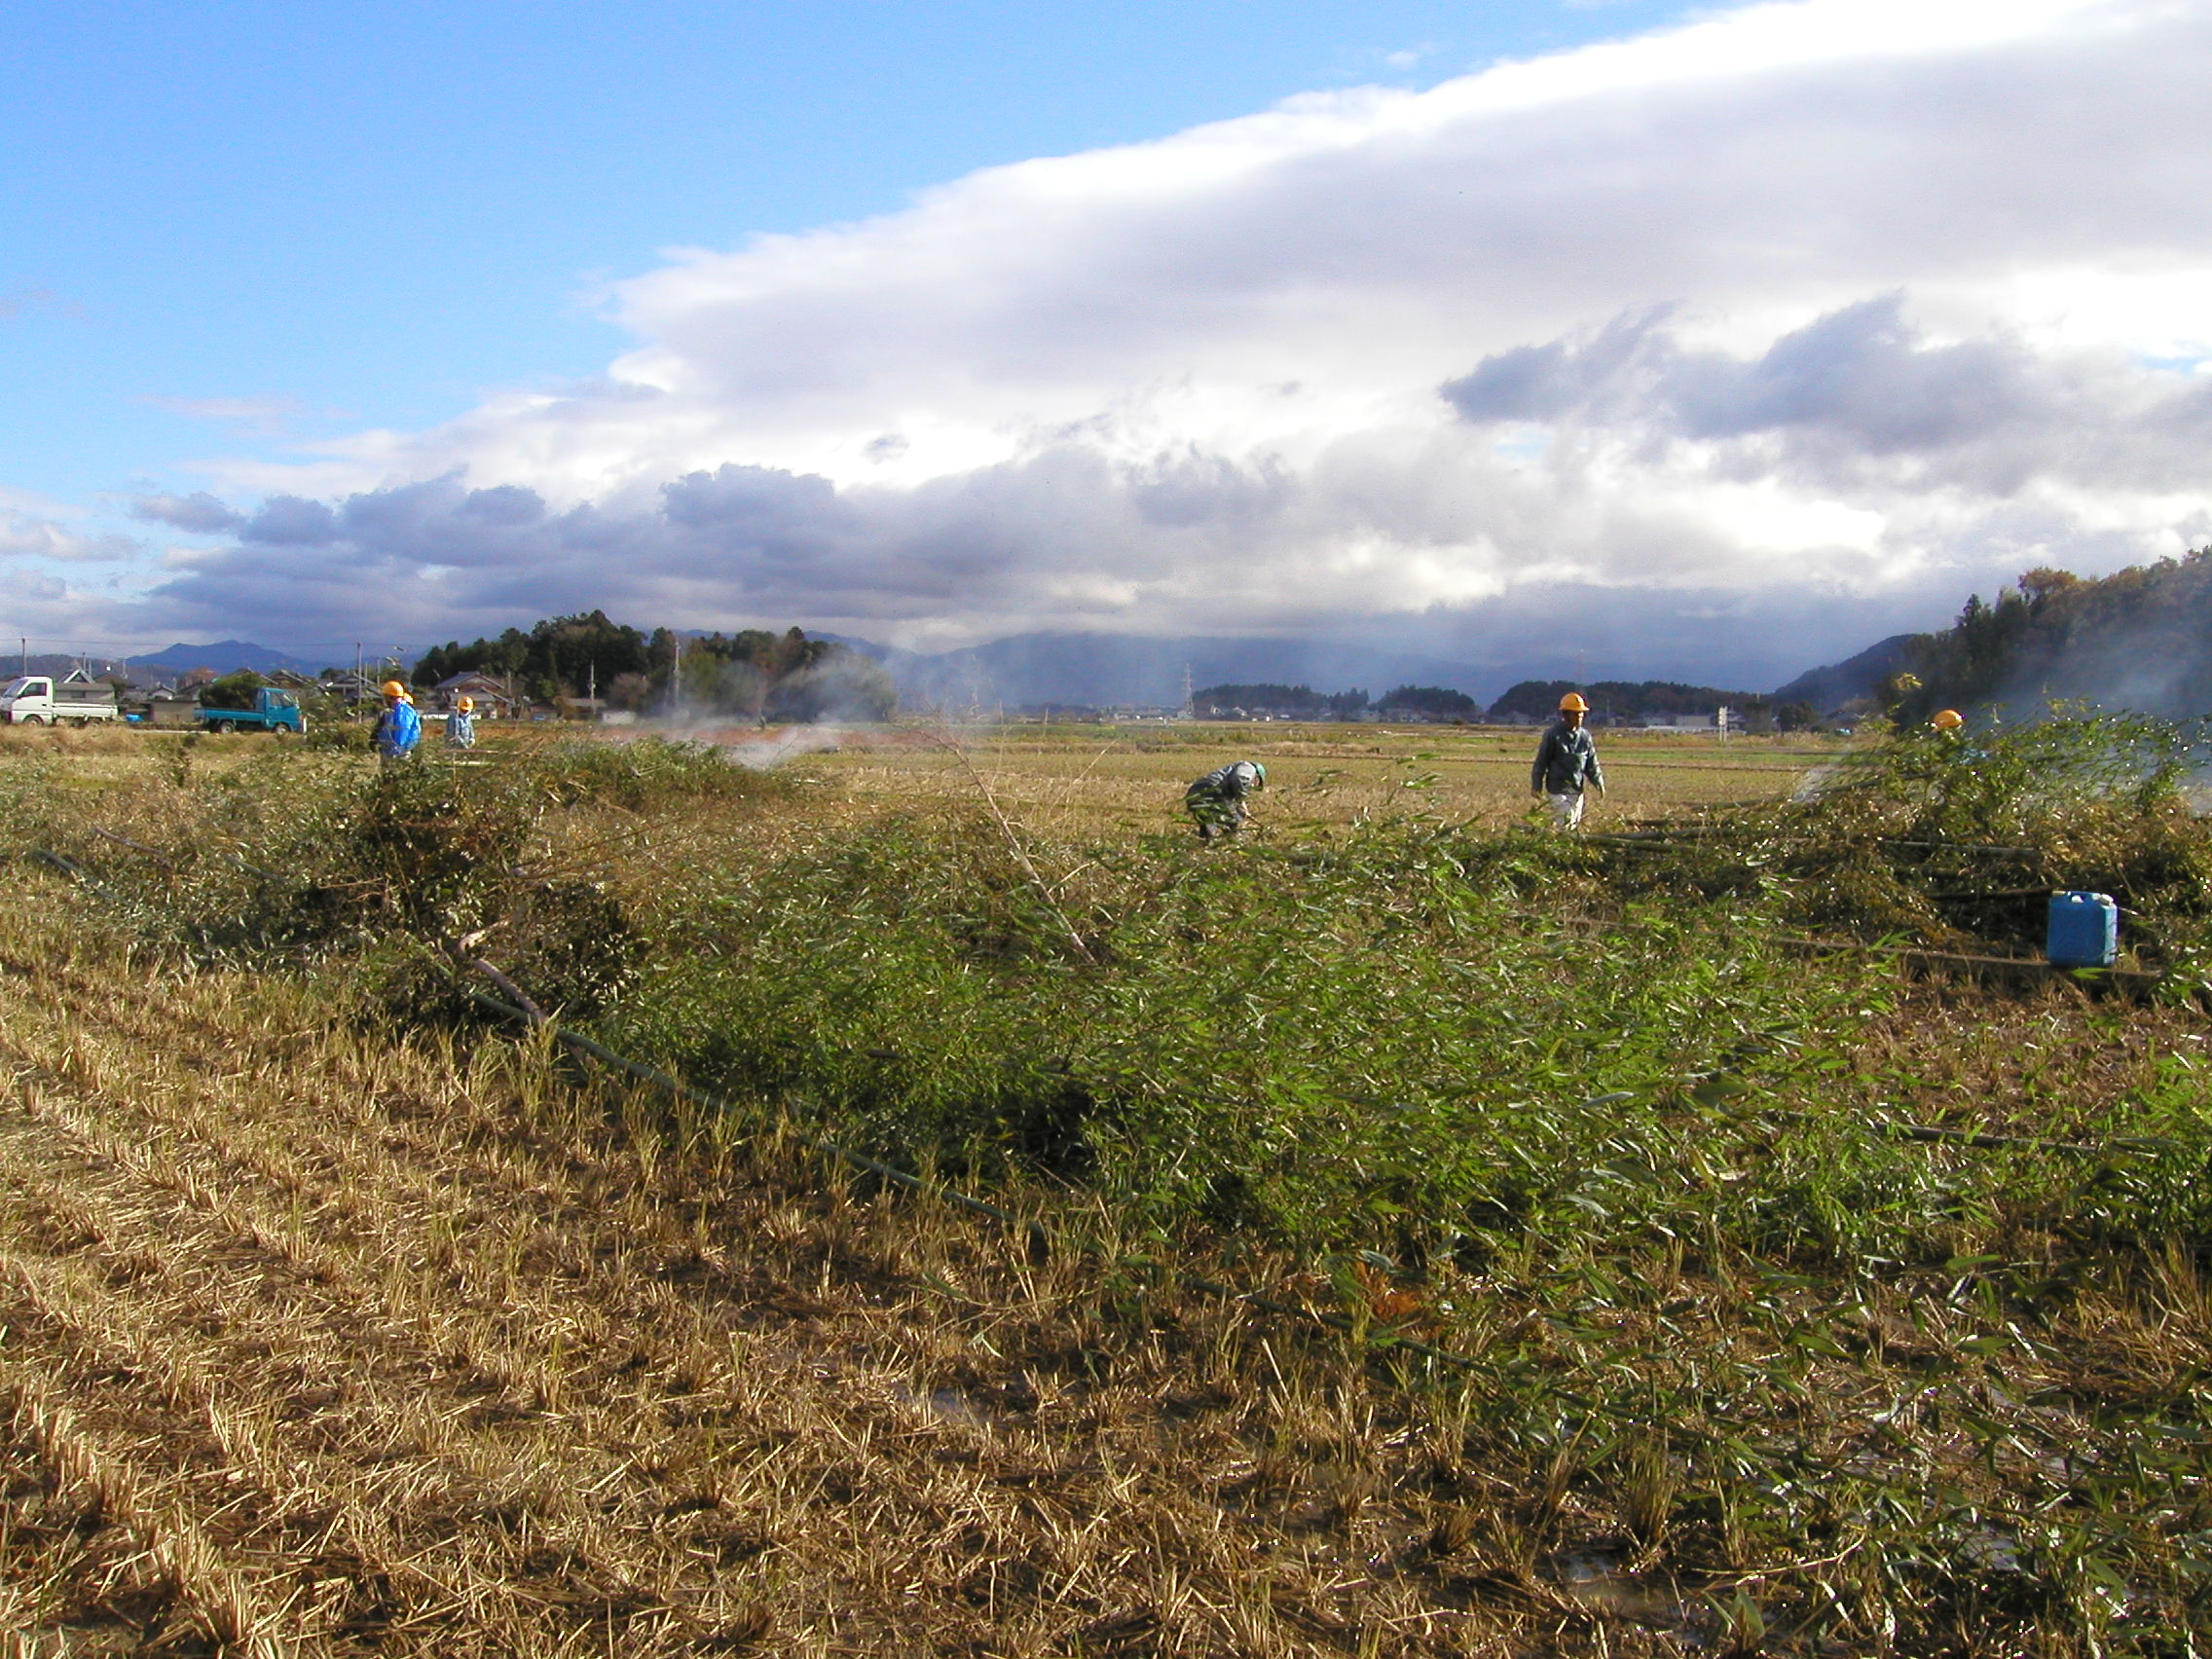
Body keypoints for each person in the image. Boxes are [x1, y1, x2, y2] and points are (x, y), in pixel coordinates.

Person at [1530, 692, 1604, 830]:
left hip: (1576, 790)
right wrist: (1536, 786)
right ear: (1565, 715)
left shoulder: (1585, 737)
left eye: (1581, 714)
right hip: (1557, 790)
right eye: (1575, 714)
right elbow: (1541, 762)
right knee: (1565, 822)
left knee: (1573, 825)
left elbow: (1591, 764)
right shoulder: (1553, 735)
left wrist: (1598, 782)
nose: (1579, 717)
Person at [1185, 759, 1266, 840]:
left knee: (1208, 823)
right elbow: (1239, 778)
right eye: (1255, 782)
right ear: (1257, 776)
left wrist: (1240, 806)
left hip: (1194, 791)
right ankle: (1231, 841)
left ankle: (1206, 844)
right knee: (1233, 820)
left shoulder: (1230, 771)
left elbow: (1233, 796)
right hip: (1213, 790)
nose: (1252, 785)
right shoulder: (1249, 767)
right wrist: (1241, 799)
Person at [372, 679, 423, 760]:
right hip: (388, 752)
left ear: (390, 697)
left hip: (399, 754)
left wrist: (395, 753)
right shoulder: (393, 711)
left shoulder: (403, 712)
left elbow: (402, 733)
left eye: (385, 697)